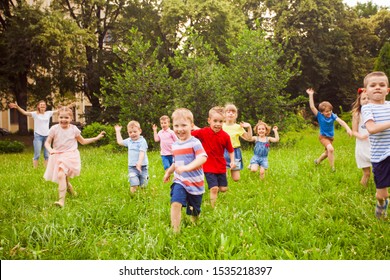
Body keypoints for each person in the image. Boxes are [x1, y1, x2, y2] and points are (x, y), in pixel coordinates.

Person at [43, 106, 105, 207]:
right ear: (57, 118)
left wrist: (96, 138)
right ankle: (73, 193)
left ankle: (61, 201)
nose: (63, 120)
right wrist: (50, 150)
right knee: (64, 178)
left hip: (70, 156)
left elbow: (83, 141)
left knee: (60, 175)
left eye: (66, 118)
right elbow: (47, 143)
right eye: (61, 117)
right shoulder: (54, 129)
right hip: (58, 155)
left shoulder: (73, 129)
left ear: (71, 118)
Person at [163, 108, 207, 233]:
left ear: (191, 126)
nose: (180, 129)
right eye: (176, 125)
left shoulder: (195, 142)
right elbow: (176, 162)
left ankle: (195, 224)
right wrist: (169, 172)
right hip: (180, 180)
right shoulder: (175, 144)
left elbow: (202, 157)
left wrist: (187, 167)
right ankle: (175, 231)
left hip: (195, 183)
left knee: (194, 211)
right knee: (175, 202)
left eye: (184, 125)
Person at [191, 106, 235, 208]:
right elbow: (190, 135)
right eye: (215, 121)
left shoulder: (225, 136)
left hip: (220, 165)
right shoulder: (203, 132)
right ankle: (213, 208)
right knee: (214, 188)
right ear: (209, 120)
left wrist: (232, 161)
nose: (218, 124)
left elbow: (231, 150)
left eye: (221, 121)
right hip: (208, 165)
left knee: (223, 189)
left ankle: (215, 194)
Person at [361, 71, 390, 219]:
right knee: (382, 194)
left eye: (382, 85)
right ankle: (381, 203)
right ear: (366, 91)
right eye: (373, 85)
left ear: (387, 90)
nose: (378, 87)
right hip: (380, 157)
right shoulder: (367, 108)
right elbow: (371, 129)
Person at [306, 88, 352, 172]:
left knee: (327, 153)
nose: (329, 113)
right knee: (331, 149)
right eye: (327, 111)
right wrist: (310, 95)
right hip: (323, 137)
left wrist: (348, 129)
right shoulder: (319, 116)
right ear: (322, 112)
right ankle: (332, 169)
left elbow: (341, 121)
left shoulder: (332, 116)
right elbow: (312, 107)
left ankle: (317, 161)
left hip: (331, 137)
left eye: (330, 110)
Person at [9, 100, 58, 168]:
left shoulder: (48, 113)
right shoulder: (35, 114)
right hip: (38, 136)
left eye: (44, 105)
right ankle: (35, 169)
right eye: (41, 105)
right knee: (37, 154)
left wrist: (70, 106)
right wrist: (17, 107)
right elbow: (24, 112)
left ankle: (46, 169)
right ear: (38, 106)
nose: (42, 106)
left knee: (47, 154)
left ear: (45, 107)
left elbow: (58, 111)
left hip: (47, 136)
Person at [115, 120, 149, 194]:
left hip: (143, 167)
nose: (133, 134)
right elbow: (120, 142)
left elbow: (142, 153)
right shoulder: (129, 141)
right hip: (132, 167)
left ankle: (143, 198)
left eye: (135, 131)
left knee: (143, 185)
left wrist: (139, 163)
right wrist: (118, 131)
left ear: (140, 131)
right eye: (130, 132)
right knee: (134, 184)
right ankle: (132, 197)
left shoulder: (142, 141)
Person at [223, 103, 252, 181]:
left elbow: (249, 138)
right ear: (224, 114)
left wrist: (249, 127)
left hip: (235, 151)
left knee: (236, 178)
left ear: (236, 115)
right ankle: (222, 187)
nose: (231, 113)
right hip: (223, 151)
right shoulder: (221, 126)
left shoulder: (238, 127)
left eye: (233, 112)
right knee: (223, 176)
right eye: (228, 111)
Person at [351, 88, 371, 187]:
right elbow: (354, 131)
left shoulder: (377, 113)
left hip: (375, 145)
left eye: (369, 98)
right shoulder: (357, 114)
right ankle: (362, 190)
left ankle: (380, 190)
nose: (366, 100)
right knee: (367, 173)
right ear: (359, 101)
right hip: (363, 146)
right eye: (364, 99)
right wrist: (361, 136)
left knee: (380, 171)